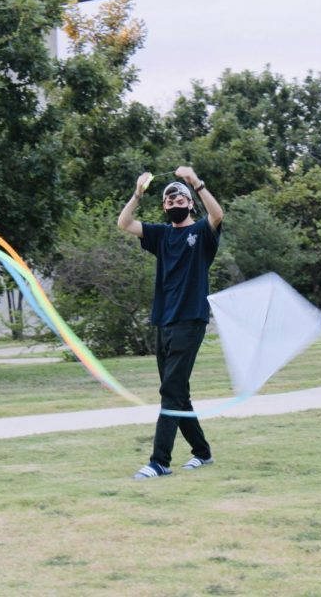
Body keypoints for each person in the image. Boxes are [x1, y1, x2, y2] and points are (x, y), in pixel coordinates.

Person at [117, 166, 224, 479]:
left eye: (181, 200)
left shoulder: (202, 232)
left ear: (190, 204)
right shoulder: (161, 235)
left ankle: (159, 461)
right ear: (164, 207)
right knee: (178, 393)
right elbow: (123, 223)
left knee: (170, 391)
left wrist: (196, 182)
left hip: (190, 322)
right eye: (169, 201)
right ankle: (202, 453)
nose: (175, 203)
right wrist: (138, 193)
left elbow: (217, 214)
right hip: (164, 321)